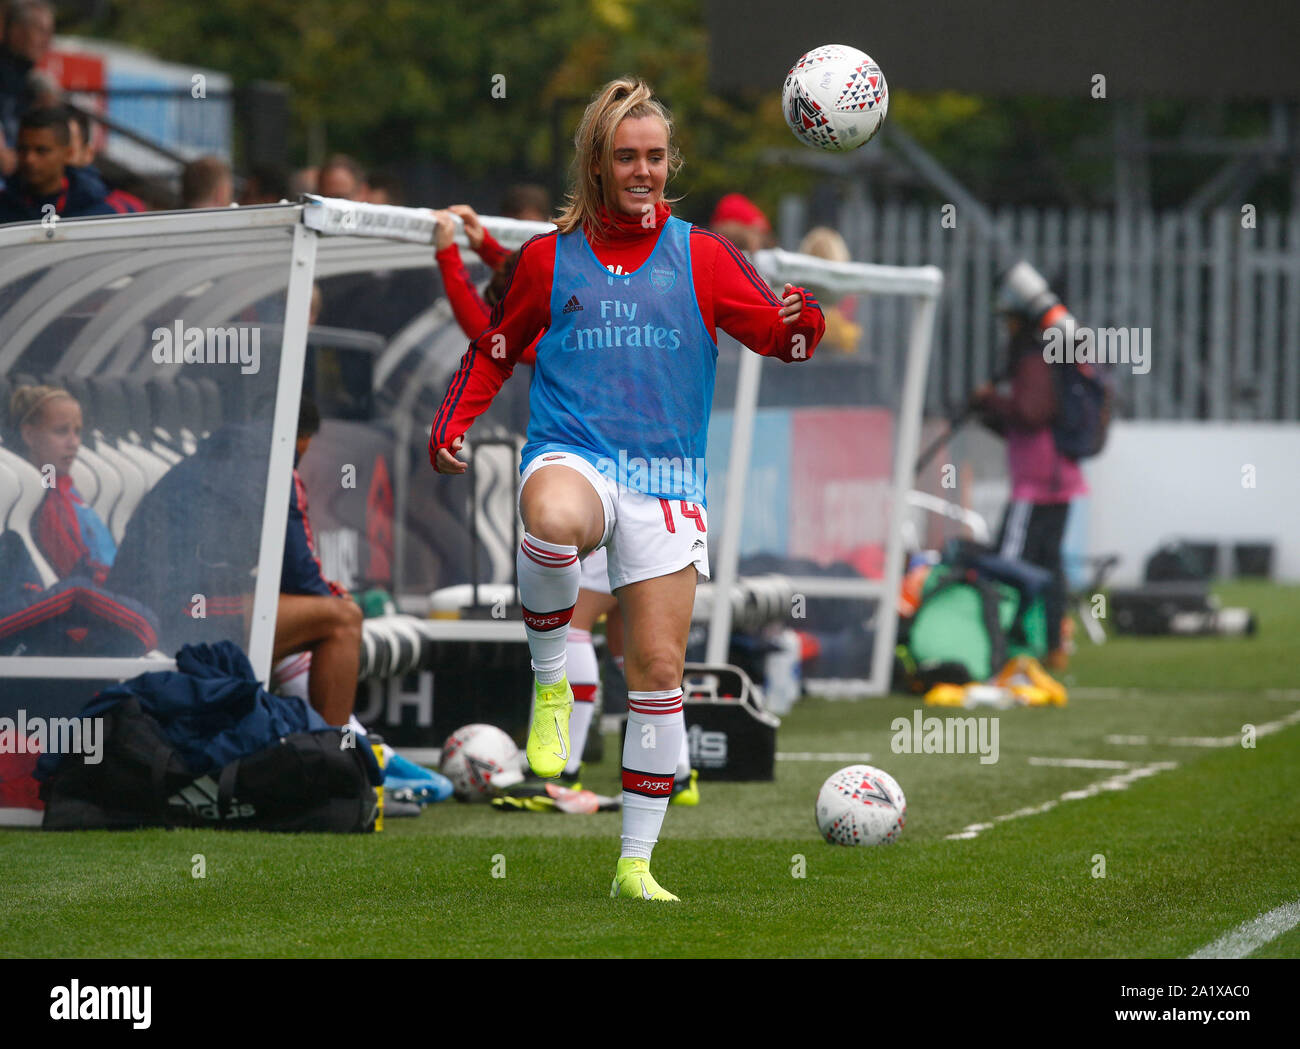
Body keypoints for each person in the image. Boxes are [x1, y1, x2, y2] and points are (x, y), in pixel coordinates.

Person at [430, 77, 823, 900]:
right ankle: (548, 677)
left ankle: (635, 866)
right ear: (597, 164)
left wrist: (802, 321)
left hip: (667, 481)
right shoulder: (547, 256)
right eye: (626, 156)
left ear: (669, 162)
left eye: (654, 156)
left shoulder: (705, 254)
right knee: (553, 516)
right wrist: (453, 422)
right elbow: (497, 347)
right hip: (574, 452)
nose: (642, 170)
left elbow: (778, 341)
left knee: (657, 670)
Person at [972, 300, 1087, 670]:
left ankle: (1002, 642)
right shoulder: (1048, 356)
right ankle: (1051, 643)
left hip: (1038, 482)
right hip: (1056, 478)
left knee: (1010, 562)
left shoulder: (1032, 359)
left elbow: (1032, 413)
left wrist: (989, 399)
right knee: (1048, 565)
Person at [272, 396, 363, 727]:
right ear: (302, 439)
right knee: (342, 619)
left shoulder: (216, 455)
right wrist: (331, 596)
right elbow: (299, 572)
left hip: (184, 606)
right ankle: (331, 757)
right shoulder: (276, 469)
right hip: (197, 612)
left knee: (318, 610)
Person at [8, 384, 115, 584]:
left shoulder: (64, 488)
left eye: (77, 432)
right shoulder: (46, 500)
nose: (73, 442)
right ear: (29, 436)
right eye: (61, 431)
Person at [0, 106, 114, 223]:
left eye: (41, 150)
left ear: (68, 154)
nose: (30, 159)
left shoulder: (99, 212)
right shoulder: (4, 207)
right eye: (23, 149)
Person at [0, 0, 54, 178]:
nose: (47, 41)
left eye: (50, 32)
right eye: (40, 31)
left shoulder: (33, 83)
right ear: (16, 31)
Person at [66, 106, 147, 214]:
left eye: (67, 151)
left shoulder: (121, 210)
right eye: (36, 148)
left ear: (88, 154)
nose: (35, 161)